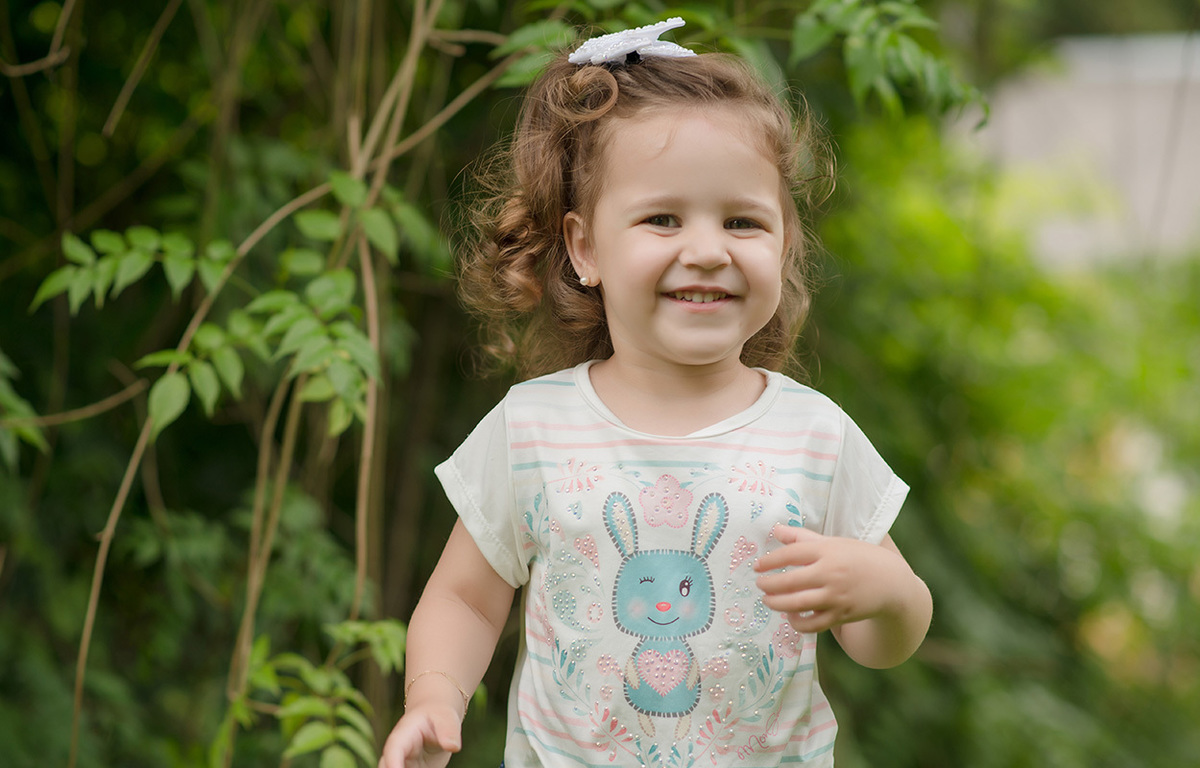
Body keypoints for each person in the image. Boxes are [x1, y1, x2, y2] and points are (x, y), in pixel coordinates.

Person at [379, 18, 932, 768]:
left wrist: (886, 591)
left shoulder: (814, 437)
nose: (706, 251)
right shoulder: (534, 429)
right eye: (662, 219)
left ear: (783, 244)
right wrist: (434, 697)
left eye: (742, 221)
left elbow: (881, 645)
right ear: (586, 247)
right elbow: (465, 600)